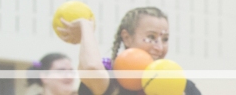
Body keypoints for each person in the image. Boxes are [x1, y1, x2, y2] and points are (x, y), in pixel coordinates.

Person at [57, 7, 202, 95]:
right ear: (126, 38)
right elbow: (91, 67)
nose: (159, 47)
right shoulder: (112, 81)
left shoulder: (184, 85)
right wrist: (86, 26)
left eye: (165, 39)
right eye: (151, 37)